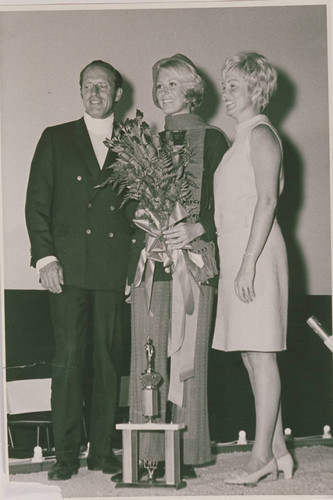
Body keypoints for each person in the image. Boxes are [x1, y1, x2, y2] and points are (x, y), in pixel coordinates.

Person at [115, 54, 229, 481]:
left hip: (193, 263)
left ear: (192, 91)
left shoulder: (214, 140)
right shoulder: (144, 143)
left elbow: (231, 207)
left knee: (187, 362)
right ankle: (146, 456)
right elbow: (128, 206)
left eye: (172, 85)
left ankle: (187, 453)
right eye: (159, 85)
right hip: (150, 265)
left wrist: (197, 226)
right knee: (146, 359)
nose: (163, 92)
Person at [25, 60, 136, 481]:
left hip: (111, 272)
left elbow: (138, 212)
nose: (95, 92)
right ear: (80, 92)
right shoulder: (54, 138)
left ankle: (103, 451)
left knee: (108, 363)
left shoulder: (134, 141)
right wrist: (46, 259)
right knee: (69, 362)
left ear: (117, 94)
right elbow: (37, 203)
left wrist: (134, 267)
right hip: (67, 270)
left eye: (103, 86)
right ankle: (67, 453)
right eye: (88, 85)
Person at [213, 52, 293, 485]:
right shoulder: (240, 138)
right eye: (226, 86)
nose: (226, 93)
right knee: (251, 356)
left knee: (261, 355)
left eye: (234, 87)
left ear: (255, 92)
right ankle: (279, 449)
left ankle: (260, 455)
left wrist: (247, 262)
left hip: (256, 254)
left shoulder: (261, 134)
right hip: (241, 254)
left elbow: (267, 201)